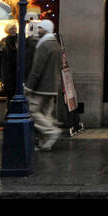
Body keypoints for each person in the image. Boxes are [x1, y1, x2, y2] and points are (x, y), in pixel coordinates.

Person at [25, 20, 64, 151]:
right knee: (45, 114)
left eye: (40, 28)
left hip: (42, 86)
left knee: (32, 111)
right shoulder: (56, 45)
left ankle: (51, 131)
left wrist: (29, 87)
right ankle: (45, 143)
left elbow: (37, 68)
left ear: (46, 29)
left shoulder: (44, 45)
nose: (38, 30)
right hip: (52, 86)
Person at [0, 23, 19, 97]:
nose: (14, 30)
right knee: (9, 91)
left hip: (17, 69)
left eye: (15, 28)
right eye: (12, 29)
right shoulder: (4, 41)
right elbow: (0, 58)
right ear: (8, 30)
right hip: (8, 70)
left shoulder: (20, 39)